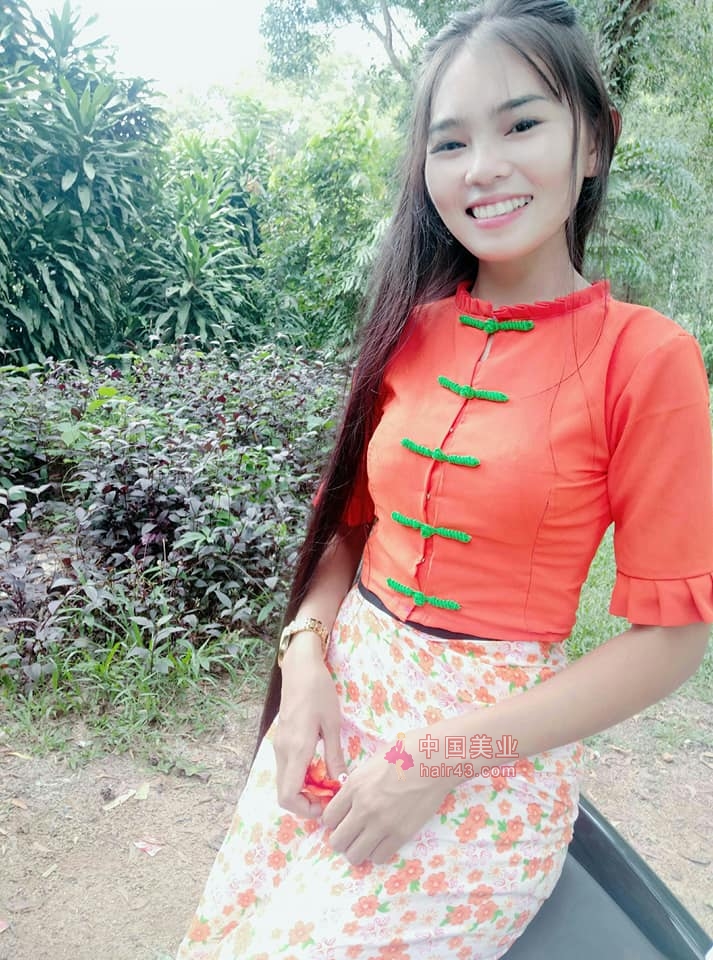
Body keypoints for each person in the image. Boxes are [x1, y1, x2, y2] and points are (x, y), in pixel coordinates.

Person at [176, 1, 713, 957]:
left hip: (486, 766)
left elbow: (670, 642)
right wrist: (304, 661)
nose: (482, 168)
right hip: (333, 711)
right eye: (450, 142)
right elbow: (351, 529)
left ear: (595, 141)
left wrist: (436, 756)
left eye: (521, 124)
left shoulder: (647, 359)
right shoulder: (410, 328)